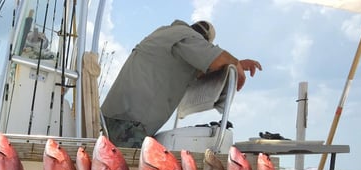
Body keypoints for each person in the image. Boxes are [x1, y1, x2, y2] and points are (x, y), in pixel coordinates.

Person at [101, 19, 262, 147]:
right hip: (127, 125)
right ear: (204, 42)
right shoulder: (187, 37)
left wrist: (236, 62)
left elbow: (201, 71)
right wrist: (237, 64)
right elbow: (217, 59)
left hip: (113, 120)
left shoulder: (166, 34)